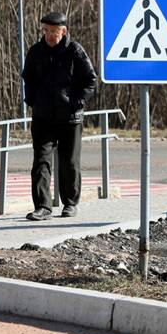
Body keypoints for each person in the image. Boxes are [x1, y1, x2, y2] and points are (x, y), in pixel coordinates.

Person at [21, 12, 97, 221]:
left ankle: (70, 203)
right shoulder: (36, 52)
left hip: (70, 118)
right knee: (41, 162)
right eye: (46, 30)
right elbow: (28, 78)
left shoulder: (75, 51)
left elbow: (90, 80)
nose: (49, 35)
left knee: (69, 162)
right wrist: (32, 101)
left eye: (53, 31)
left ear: (63, 31)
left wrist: (77, 102)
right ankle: (42, 207)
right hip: (43, 117)